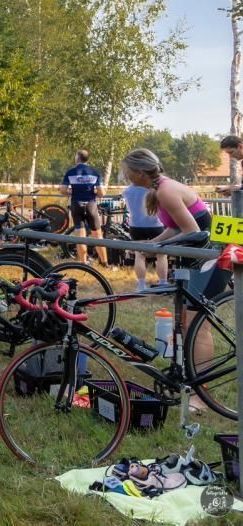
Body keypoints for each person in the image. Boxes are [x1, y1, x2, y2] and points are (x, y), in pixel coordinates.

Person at [122, 148, 220, 408]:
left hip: (209, 257)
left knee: (199, 325)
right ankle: (192, 383)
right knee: (187, 323)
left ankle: (201, 395)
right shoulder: (159, 188)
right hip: (195, 257)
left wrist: (159, 248)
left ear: (139, 172)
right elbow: (175, 227)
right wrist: (152, 244)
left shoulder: (165, 190)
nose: (124, 175)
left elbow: (193, 231)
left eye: (127, 171)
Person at [62, 149, 109, 267]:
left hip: (76, 204)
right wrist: (94, 192)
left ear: (77, 158)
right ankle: (104, 263)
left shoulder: (70, 172)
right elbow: (101, 193)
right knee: (98, 236)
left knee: (80, 236)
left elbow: (62, 190)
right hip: (90, 205)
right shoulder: (94, 173)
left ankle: (83, 263)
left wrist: (71, 191)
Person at [122, 181, 168, 291]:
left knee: (139, 255)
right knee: (161, 255)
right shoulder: (154, 188)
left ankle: (141, 284)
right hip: (156, 224)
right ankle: (163, 282)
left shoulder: (128, 190)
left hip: (136, 226)